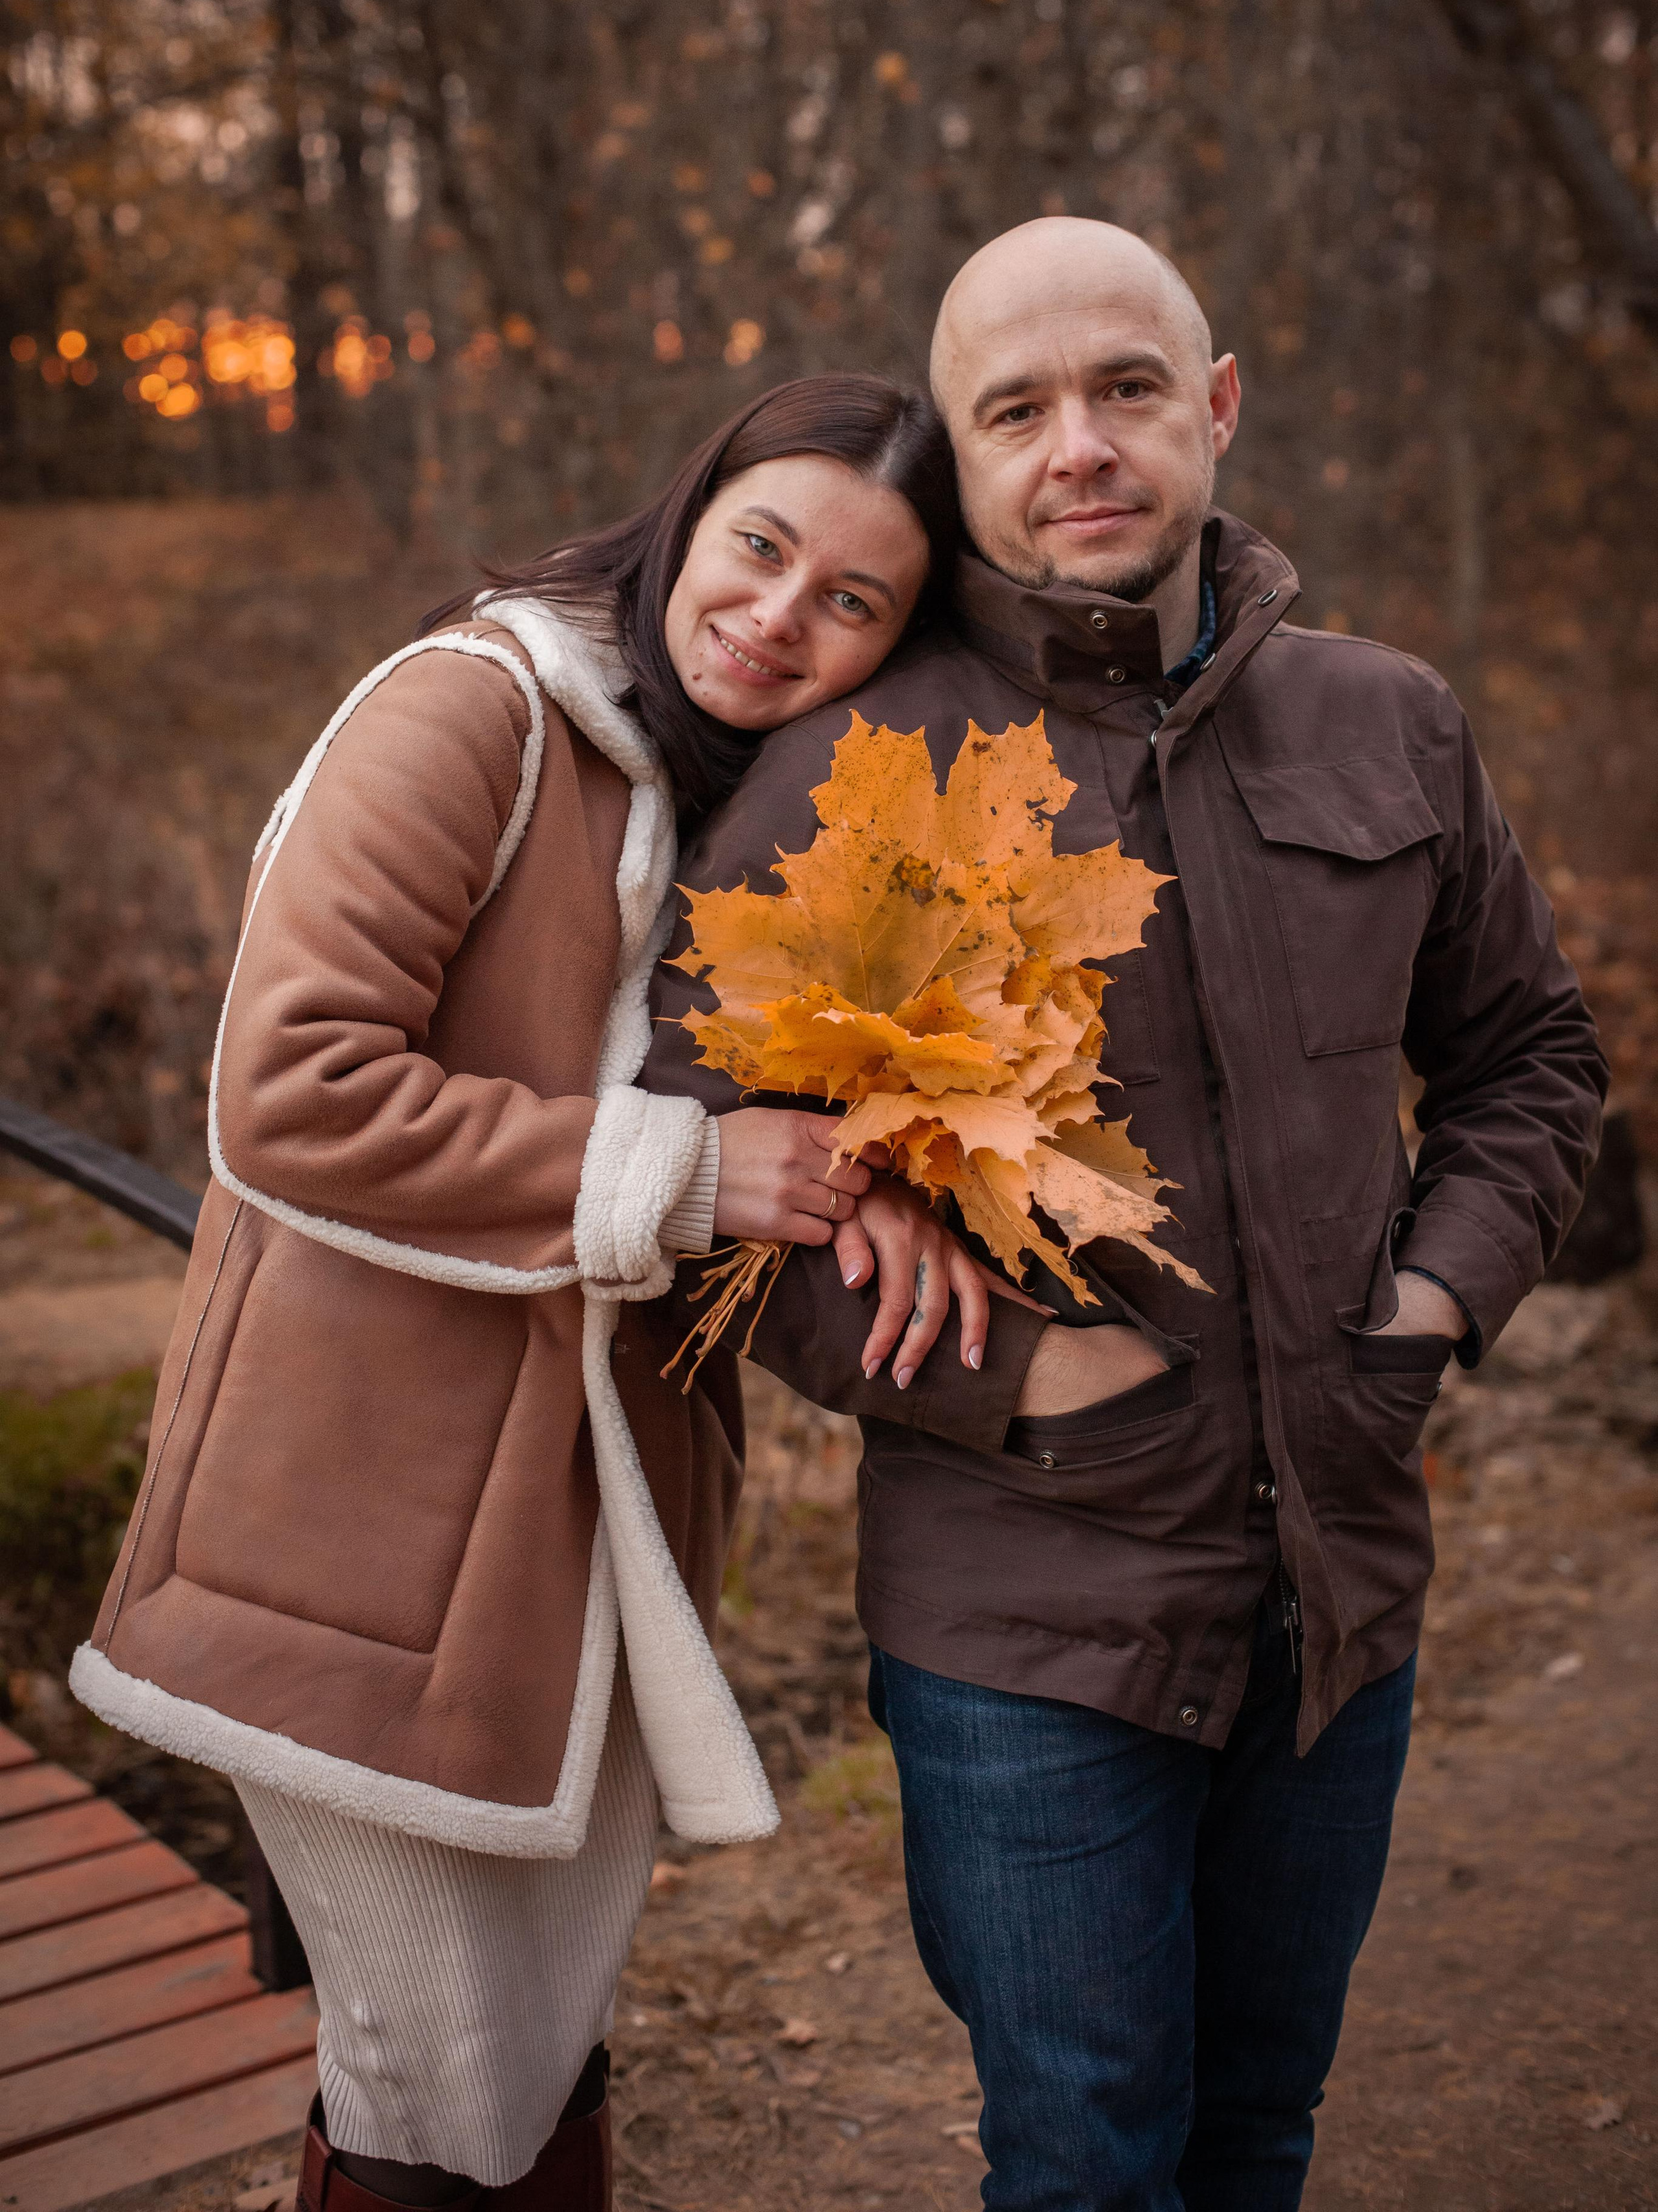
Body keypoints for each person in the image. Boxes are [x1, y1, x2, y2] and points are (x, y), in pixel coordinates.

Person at [627, 221, 1608, 2210]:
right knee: (1085, 2163)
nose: (1081, 445)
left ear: (1217, 410)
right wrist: (1024, 1381)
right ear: (966, 469)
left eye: (1129, 390)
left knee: (1261, 2135)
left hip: (1342, 1584)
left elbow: (1531, 1060)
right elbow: (687, 1176)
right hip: (1023, 1623)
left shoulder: (1388, 722)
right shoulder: (843, 772)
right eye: (1019, 411)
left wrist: (1431, 1305)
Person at [71, 374, 999, 2212]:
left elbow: (761, 1101)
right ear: (690, 510)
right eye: (762, 546)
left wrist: (867, 1177)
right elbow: (292, 1088)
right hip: (351, 1523)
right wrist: (690, 1173)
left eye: (852, 603)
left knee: (520, 2057)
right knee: (435, 2072)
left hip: (571, 1550)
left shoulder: (732, 805)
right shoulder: (472, 708)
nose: (777, 614)